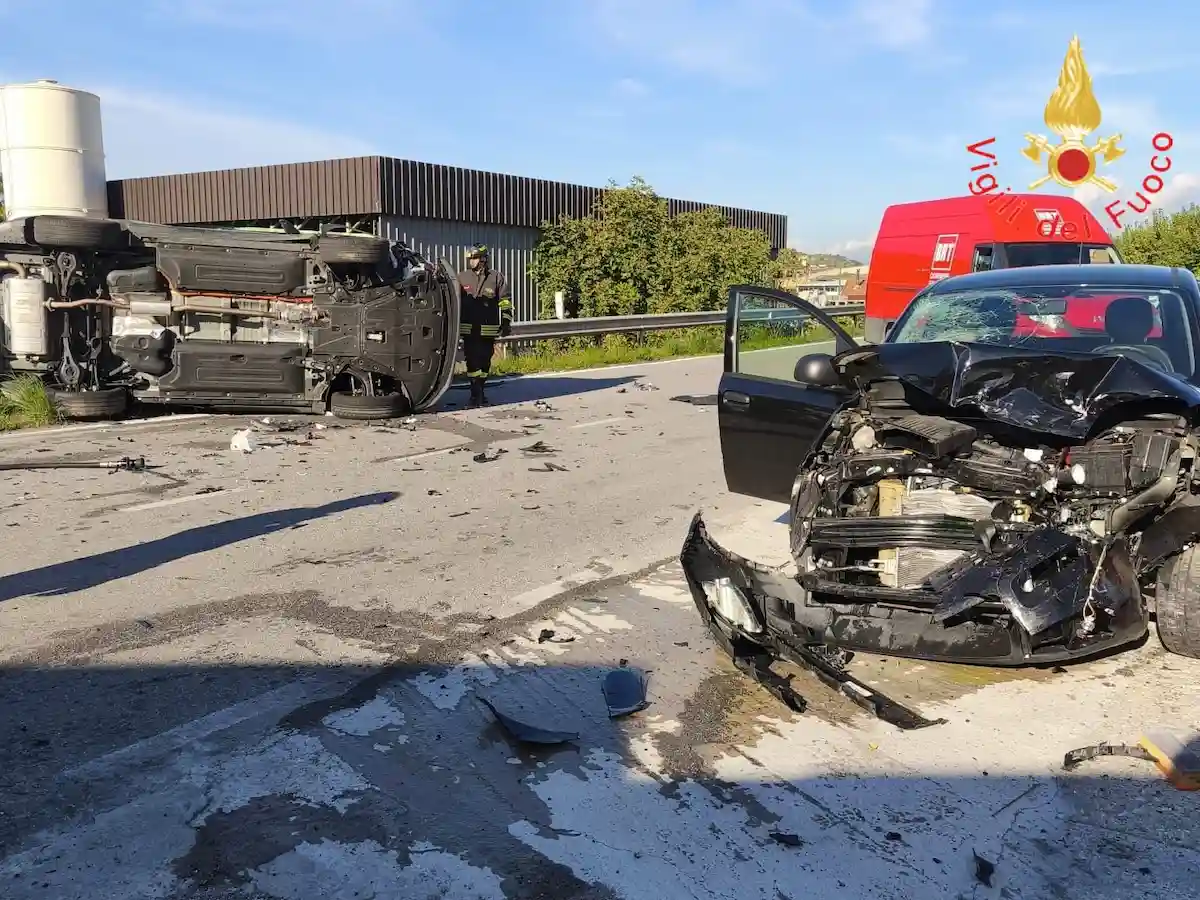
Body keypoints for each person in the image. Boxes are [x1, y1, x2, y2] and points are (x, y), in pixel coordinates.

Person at [458, 243, 512, 406]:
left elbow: (505, 301)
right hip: (469, 329)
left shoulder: (496, 277)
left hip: (488, 329)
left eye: (474, 258)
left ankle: (480, 388)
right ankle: (476, 393)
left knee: (485, 361)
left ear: (483, 259)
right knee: (472, 361)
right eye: (470, 259)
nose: (471, 262)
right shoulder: (462, 278)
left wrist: (506, 322)